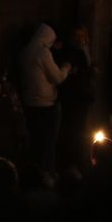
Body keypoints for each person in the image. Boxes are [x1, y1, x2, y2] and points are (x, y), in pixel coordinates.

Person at [17, 24, 73, 177]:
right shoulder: (42, 52)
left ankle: (32, 174)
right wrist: (66, 67)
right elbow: (58, 77)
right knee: (48, 144)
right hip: (46, 105)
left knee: (34, 142)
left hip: (29, 104)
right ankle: (47, 174)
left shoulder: (24, 51)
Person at [56, 25, 95, 174]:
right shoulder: (72, 54)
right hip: (74, 101)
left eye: (83, 37)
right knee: (74, 133)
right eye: (77, 37)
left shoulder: (83, 52)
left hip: (81, 100)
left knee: (80, 132)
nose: (81, 40)